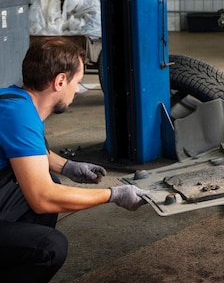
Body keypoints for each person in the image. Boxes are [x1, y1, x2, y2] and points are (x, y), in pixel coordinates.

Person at [0, 38, 149, 283]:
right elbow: (42, 199)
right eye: (77, 82)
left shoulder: (13, 100)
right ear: (60, 81)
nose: (77, 90)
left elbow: (29, 151)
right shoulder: (20, 116)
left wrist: (67, 166)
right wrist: (113, 195)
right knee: (50, 247)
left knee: (52, 181)